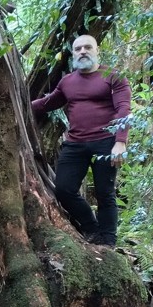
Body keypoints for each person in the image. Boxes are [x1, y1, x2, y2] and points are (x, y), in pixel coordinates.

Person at [31, 34, 130, 247]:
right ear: (73, 54)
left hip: (106, 142)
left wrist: (120, 141)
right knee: (64, 189)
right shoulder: (68, 81)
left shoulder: (113, 76)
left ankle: (108, 243)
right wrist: (21, 103)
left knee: (105, 193)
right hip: (75, 143)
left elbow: (124, 109)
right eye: (78, 49)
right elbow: (49, 102)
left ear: (96, 51)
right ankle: (91, 228)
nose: (82, 51)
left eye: (87, 47)